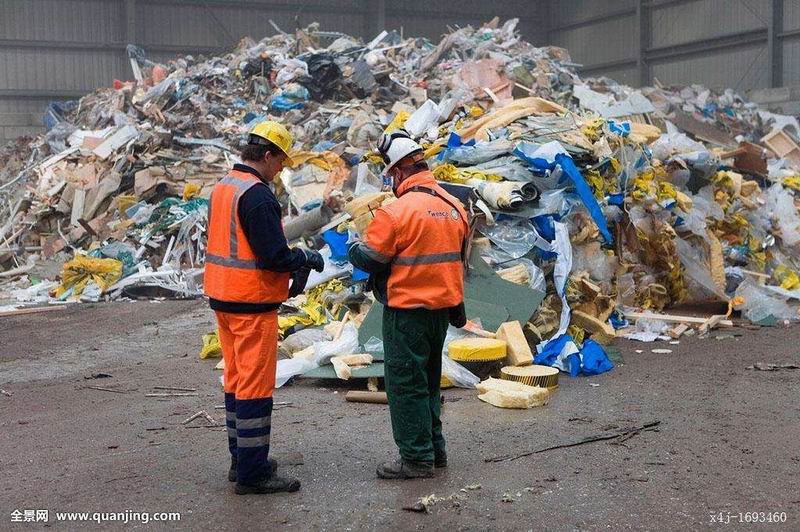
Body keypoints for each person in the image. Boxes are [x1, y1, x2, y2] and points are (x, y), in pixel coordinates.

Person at [203, 121, 324, 495]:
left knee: (236, 381)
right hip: (251, 304)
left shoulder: (225, 186)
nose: (282, 170)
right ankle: (254, 474)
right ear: (267, 155)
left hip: (224, 298)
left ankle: (241, 460)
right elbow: (273, 256)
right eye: (281, 162)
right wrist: (305, 256)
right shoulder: (257, 196)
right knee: (255, 387)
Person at [348, 130, 468, 480]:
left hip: (407, 312)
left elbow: (372, 258)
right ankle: (435, 451)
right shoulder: (454, 206)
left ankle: (416, 459)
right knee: (428, 382)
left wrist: (354, 246)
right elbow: (459, 262)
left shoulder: (395, 212)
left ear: (399, 172)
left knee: (405, 385)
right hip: (441, 312)